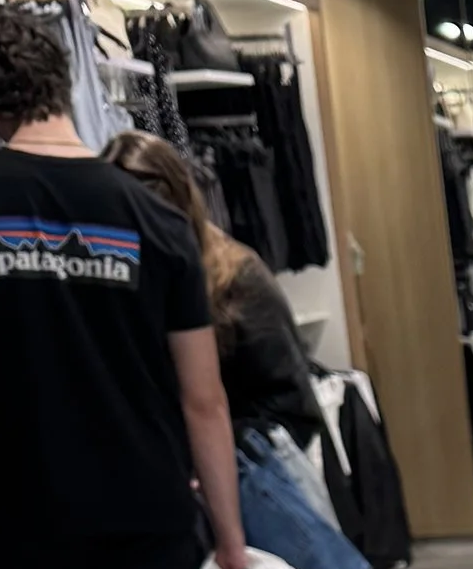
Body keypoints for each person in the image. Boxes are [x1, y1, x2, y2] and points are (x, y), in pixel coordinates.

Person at [0, 7, 248, 569]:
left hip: (34, 522)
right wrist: (231, 539)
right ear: (65, 83)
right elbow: (204, 399)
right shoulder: (159, 220)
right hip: (153, 514)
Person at [107, 130, 319, 441]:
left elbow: (293, 407)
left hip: (233, 455)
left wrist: (217, 446)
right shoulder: (117, 283)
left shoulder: (238, 278)